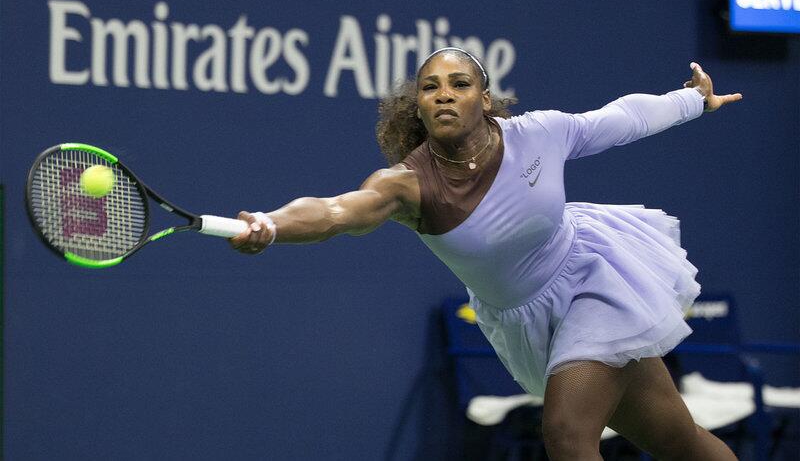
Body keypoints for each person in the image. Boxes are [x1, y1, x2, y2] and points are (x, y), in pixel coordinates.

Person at [229, 47, 743, 460]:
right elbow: (336, 211)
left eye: (460, 84)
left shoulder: (538, 134)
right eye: (430, 87)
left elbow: (619, 118)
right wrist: (271, 225)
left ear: (486, 99)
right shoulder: (405, 186)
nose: (444, 95)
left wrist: (693, 100)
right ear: (418, 106)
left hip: (594, 280)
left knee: (567, 434)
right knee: (679, 442)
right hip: (528, 320)